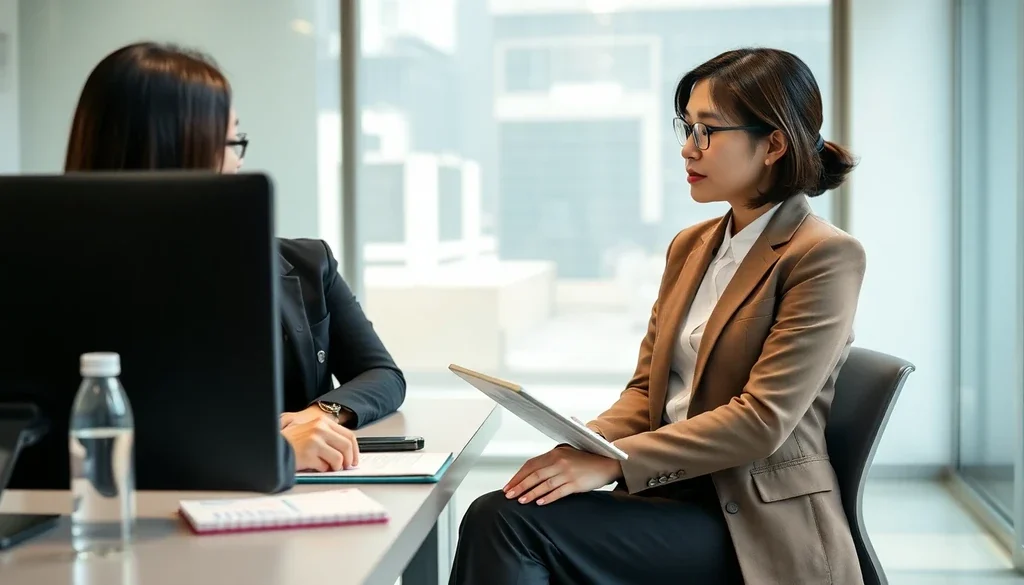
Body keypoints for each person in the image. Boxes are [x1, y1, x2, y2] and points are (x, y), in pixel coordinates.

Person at [450, 48, 865, 585]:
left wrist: (613, 463)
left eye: (708, 131)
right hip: (667, 491)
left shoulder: (823, 255)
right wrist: (583, 446)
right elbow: (648, 389)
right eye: (686, 128)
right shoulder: (690, 247)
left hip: (748, 522)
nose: (689, 149)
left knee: (506, 524)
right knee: (506, 509)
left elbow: (762, 420)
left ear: (774, 144)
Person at [64, 42, 406, 474]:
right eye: (229, 141)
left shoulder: (304, 263)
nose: (238, 160)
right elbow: (112, 433)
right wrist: (276, 448)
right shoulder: (71, 285)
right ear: (174, 151)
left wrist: (322, 413)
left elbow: (383, 375)